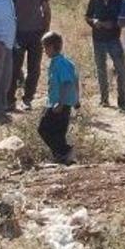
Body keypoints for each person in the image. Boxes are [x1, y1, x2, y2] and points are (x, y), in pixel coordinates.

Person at [8, 0, 51, 111]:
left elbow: (46, 11)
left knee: (34, 68)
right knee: (14, 68)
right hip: (17, 33)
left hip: (36, 34)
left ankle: (27, 99)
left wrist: (45, 32)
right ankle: (10, 100)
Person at [85, 0, 125, 108]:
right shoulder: (94, 0)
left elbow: (124, 18)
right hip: (98, 39)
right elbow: (87, 17)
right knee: (101, 69)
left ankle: (122, 99)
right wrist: (94, 22)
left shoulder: (120, 0)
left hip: (114, 38)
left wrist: (113, 24)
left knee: (121, 69)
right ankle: (104, 99)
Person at [37, 32, 78, 165]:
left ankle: (65, 151)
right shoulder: (59, 62)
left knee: (44, 129)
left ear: (52, 46)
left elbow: (68, 83)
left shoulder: (61, 63)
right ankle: (63, 158)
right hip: (57, 102)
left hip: (60, 104)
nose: (44, 51)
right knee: (57, 132)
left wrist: (61, 103)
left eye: (45, 47)